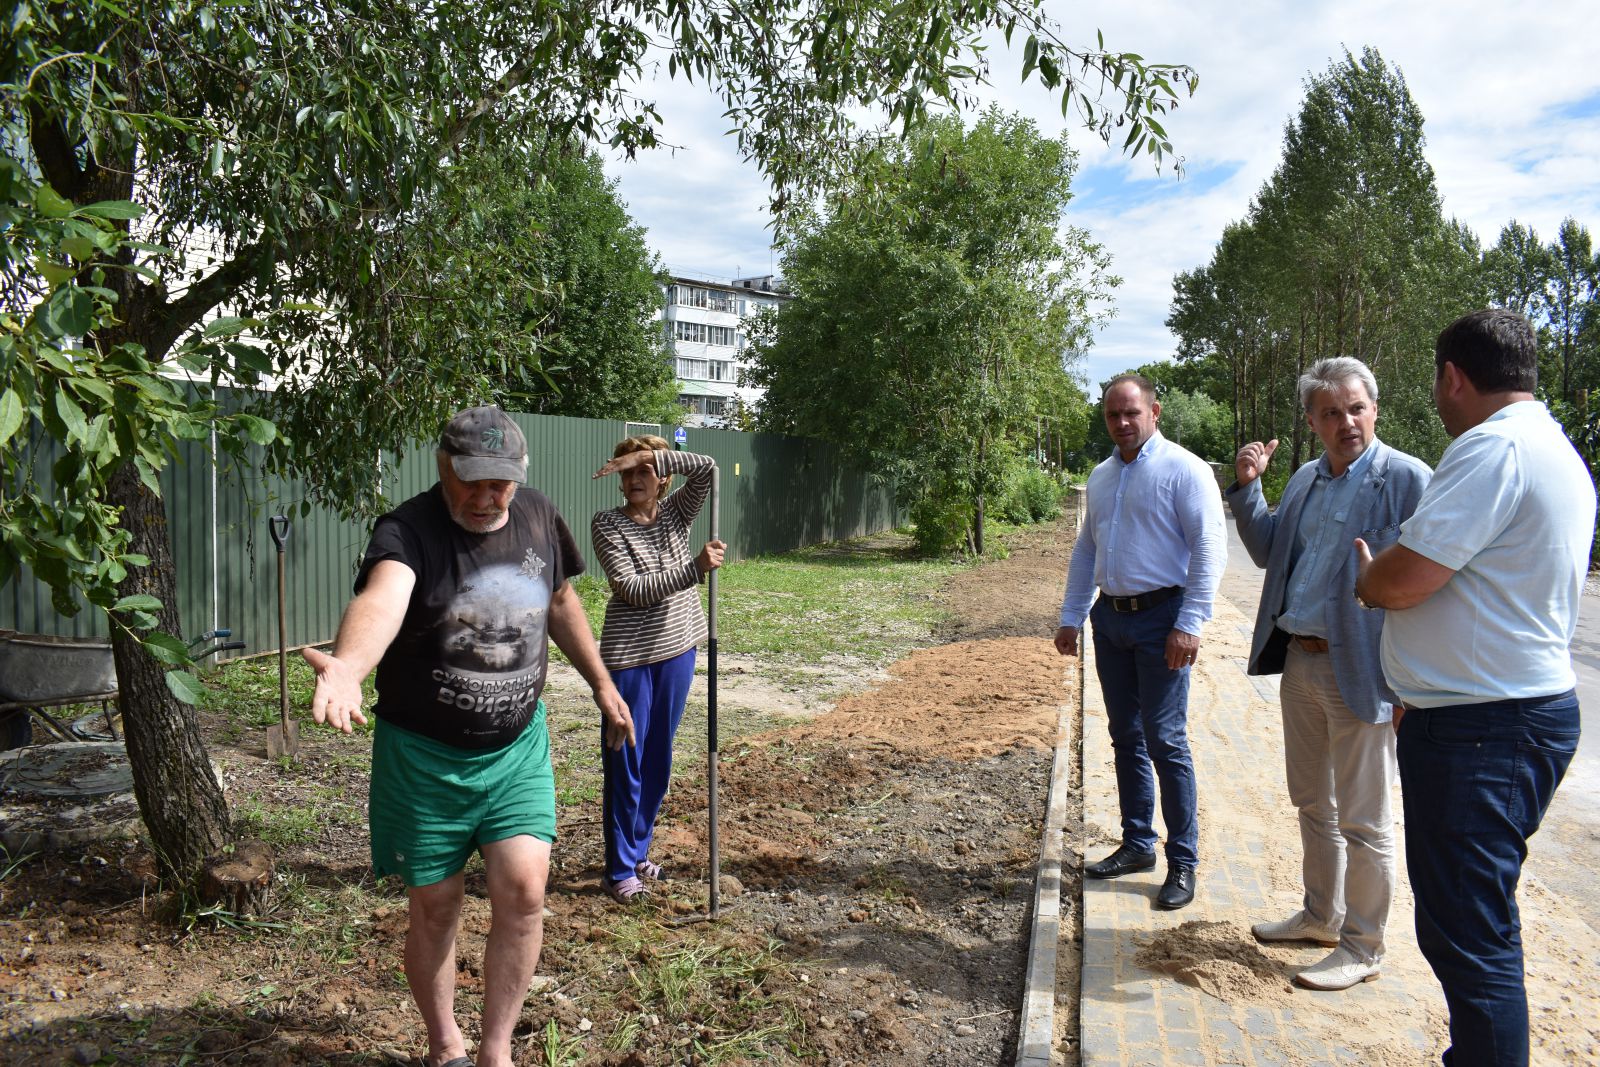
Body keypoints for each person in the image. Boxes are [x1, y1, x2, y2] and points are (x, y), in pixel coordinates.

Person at [304, 406, 635, 1067]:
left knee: (524, 889)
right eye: (473, 481)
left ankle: (496, 1051)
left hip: (516, 748)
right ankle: (445, 1046)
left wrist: (601, 681)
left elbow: (561, 601)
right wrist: (348, 665)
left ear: (520, 476)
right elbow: (383, 598)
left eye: (501, 483)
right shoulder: (409, 530)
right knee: (436, 903)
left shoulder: (538, 514)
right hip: (423, 757)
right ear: (443, 466)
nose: (488, 498)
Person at [1355, 309, 1595, 1067]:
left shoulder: (1490, 449)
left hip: (1484, 732)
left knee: (1469, 937)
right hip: (1499, 719)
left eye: (1435, 379)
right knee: (1478, 923)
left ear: (1453, 376)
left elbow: (1405, 579)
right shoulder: (1552, 447)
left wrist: (1369, 574)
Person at [1225, 357, 1430, 990]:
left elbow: (1430, 586)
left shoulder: (1406, 479)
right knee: (1312, 801)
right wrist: (1250, 486)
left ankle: (1364, 945)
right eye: (1332, 412)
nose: (1347, 422)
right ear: (1312, 421)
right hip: (1301, 663)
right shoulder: (1309, 480)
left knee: (1364, 819)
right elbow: (1268, 553)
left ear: (1375, 408)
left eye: (1357, 408)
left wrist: (1407, 684)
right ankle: (1321, 916)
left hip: (1364, 673)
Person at [1055, 374, 1225, 909]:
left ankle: (1183, 862)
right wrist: (1071, 616)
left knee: (1165, 740)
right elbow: (1087, 551)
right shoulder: (1102, 476)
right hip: (1112, 620)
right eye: (1113, 415)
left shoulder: (1185, 469)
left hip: (1163, 620)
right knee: (1124, 736)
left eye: (1132, 413)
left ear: (1154, 411)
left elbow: (1208, 548)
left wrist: (1191, 622)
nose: (1123, 424)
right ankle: (1137, 844)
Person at [590, 436, 724, 903]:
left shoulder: (675, 515)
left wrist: (654, 455)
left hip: (677, 651)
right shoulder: (607, 524)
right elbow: (632, 589)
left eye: (642, 472)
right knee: (625, 761)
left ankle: (638, 848)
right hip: (629, 660)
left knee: (658, 762)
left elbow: (707, 468)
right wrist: (695, 568)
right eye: (627, 473)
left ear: (663, 477)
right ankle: (618, 868)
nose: (632, 481)